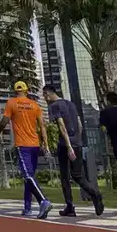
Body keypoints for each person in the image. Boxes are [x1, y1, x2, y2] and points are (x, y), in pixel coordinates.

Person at [0, 81, 53, 219]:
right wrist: (46, 144)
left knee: (28, 176)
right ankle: (27, 208)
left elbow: (4, 121)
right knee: (29, 176)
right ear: (27, 91)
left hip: (22, 145)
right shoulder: (34, 105)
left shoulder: (12, 103)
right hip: (35, 145)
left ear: (15, 91)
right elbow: (42, 126)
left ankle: (43, 200)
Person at [41, 84, 104, 218]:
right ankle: (95, 194)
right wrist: (77, 141)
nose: (44, 99)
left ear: (48, 93)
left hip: (65, 145)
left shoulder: (54, 106)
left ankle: (70, 207)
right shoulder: (70, 104)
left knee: (65, 177)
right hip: (77, 143)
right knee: (77, 175)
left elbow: (62, 126)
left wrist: (69, 146)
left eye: (44, 95)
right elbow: (79, 123)